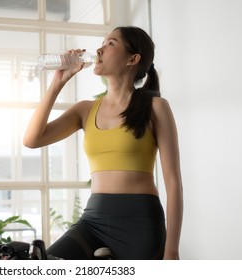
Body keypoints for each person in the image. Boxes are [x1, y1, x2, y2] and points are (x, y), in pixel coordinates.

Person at [23, 26, 183, 260]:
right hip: (93, 219)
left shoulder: (155, 107)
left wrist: (172, 251)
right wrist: (58, 81)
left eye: (110, 43)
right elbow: (32, 139)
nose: (99, 49)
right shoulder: (85, 110)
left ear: (133, 59)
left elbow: (173, 183)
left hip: (140, 222)